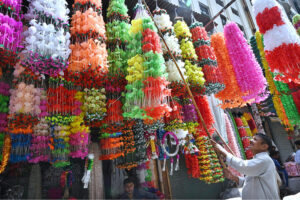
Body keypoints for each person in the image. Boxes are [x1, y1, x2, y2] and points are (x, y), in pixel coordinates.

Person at [212, 133, 280, 199]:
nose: (250, 140)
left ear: (264, 146)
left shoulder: (265, 160)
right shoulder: (258, 160)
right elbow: (249, 182)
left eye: (255, 139)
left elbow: (244, 166)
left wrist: (223, 151)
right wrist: (234, 177)